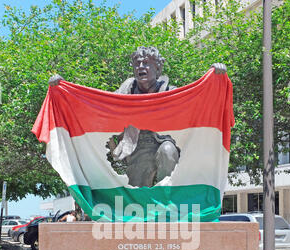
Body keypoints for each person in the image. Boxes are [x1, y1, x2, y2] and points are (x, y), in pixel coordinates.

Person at [49, 47, 226, 187]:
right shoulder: (123, 94)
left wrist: (215, 79)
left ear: (157, 68)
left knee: (167, 151)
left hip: (164, 143)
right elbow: (97, 108)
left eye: (147, 63)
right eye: (137, 63)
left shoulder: (172, 93)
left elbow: (199, 105)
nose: (141, 67)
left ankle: (166, 198)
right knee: (139, 201)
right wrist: (64, 90)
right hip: (137, 149)